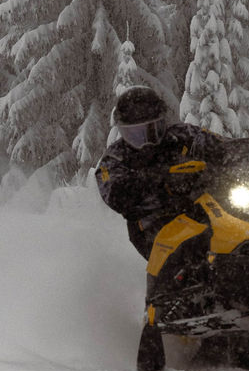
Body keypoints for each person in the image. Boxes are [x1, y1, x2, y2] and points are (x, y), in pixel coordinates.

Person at [95, 86, 225, 259]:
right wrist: (156, 178)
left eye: (151, 130)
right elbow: (114, 193)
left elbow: (221, 146)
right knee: (183, 255)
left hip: (209, 210)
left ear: (162, 123)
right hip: (154, 224)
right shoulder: (116, 158)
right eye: (134, 134)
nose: (145, 141)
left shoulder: (182, 136)